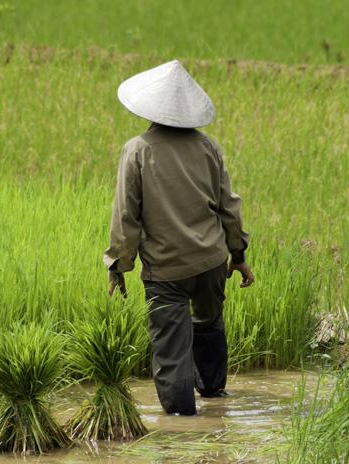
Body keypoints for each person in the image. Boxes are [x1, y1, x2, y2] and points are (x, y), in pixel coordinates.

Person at [103, 60, 254, 415]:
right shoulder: (208, 147)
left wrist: (118, 265)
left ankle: (182, 428)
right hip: (211, 263)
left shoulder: (138, 150)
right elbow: (229, 206)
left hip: (166, 271)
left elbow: (127, 216)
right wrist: (240, 255)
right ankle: (215, 399)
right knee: (208, 325)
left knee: (171, 351)